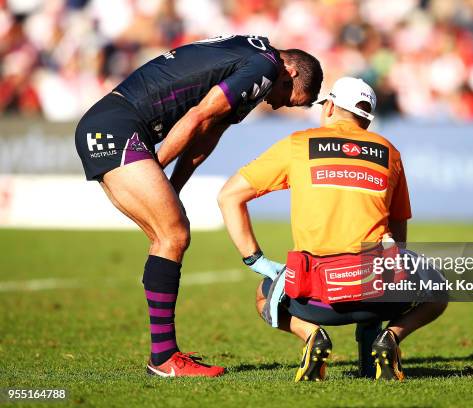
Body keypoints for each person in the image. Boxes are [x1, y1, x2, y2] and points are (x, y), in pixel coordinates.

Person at [74, 35, 323, 377]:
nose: (280, 105)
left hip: (115, 124)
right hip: (115, 128)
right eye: (288, 97)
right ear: (291, 71)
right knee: (173, 234)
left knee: (169, 236)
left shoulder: (253, 63)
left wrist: (171, 187)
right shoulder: (265, 67)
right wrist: (157, 168)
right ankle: (164, 359)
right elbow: (195, 117)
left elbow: (206, 132)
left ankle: (164, 354)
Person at [217, 77, 447, 381]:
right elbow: (398, 228)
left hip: (315, 301)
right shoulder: (388, 151)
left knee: (262, 295)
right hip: (377, 296)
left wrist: (255, 259)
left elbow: (229, 196)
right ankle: (390, 337)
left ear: (330, 107)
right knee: (439, 289)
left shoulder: (298, 144)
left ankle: (311, 335)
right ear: (366, 119)